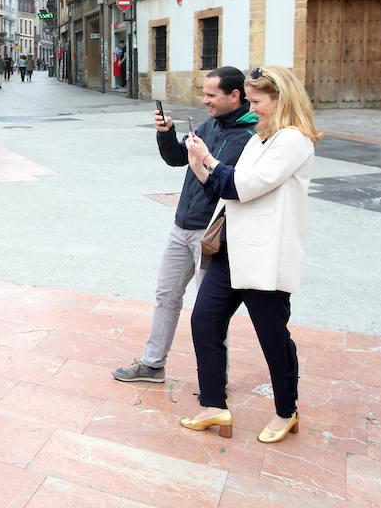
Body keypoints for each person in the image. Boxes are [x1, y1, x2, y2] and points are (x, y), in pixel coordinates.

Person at [180, 65, 322, 443]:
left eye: (258, 101)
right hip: (232, 250)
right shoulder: (262, 138)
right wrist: (201, 165)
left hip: (265, 257)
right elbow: (225, 188)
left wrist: (207, 161)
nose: (252, 108)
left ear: (281, 99)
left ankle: (286, 411)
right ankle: (213, 406)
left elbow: (243, 186)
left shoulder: (293, 141)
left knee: (272, 337)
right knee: (204, 322)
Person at [112, 67, 257, 384]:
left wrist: (205, 160)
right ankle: (152, 364)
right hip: (182, 225)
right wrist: (166, 133)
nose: (204, 101)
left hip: (213, 232)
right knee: (166, 295)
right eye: (203, 94)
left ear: (234, 96)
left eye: (210, 95)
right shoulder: (210, 124)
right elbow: (177, 157)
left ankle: (215, 378)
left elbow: (234, 186)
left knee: (209, 310)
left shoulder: (249, 137)